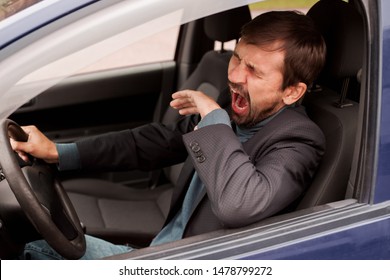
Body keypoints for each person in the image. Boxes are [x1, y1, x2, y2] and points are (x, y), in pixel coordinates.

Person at [11, 10, 326, 259]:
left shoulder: (298, 141)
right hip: (159, 251)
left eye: (254, 70)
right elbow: (153, 143)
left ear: (292, 91)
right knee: (38, 246)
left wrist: (215, 119)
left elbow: (239, 204)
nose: (233, 75)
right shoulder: (237, 108)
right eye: (236, 58)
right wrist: (59, 151)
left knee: (39, 250)